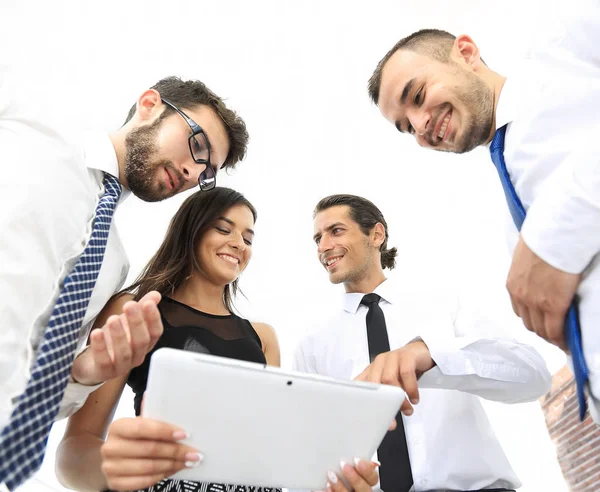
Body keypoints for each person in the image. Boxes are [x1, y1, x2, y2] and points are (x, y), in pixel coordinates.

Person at [0, 73, 249, 489]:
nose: (192, 172)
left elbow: (37, 393)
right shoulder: (27, 125)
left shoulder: (112, 266)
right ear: (149, 104)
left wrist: (86, 372)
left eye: (206, 172)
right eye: (197, 144)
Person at [366, 4, 600, 421]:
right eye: (406, 127)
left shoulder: (562, 48)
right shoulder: (513, 218)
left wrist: (550, 240)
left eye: (417, 96)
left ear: (467, 52)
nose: (420, 126)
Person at [294, 194, 552, 492]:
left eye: (336, 231)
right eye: (317, 238)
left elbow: (533, 377)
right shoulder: (311, 347)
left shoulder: (445, 302)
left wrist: (432, 355)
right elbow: (309, 453)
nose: (323, 246)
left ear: (376, 234)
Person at [55, 187, 280, 492]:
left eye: (248, 238)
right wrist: (116, 466)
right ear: (191, 230)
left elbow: (271, 444)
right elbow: (73, 450)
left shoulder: (263, 336)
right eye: (224, 229)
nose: (239, 243)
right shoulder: (132, 311)